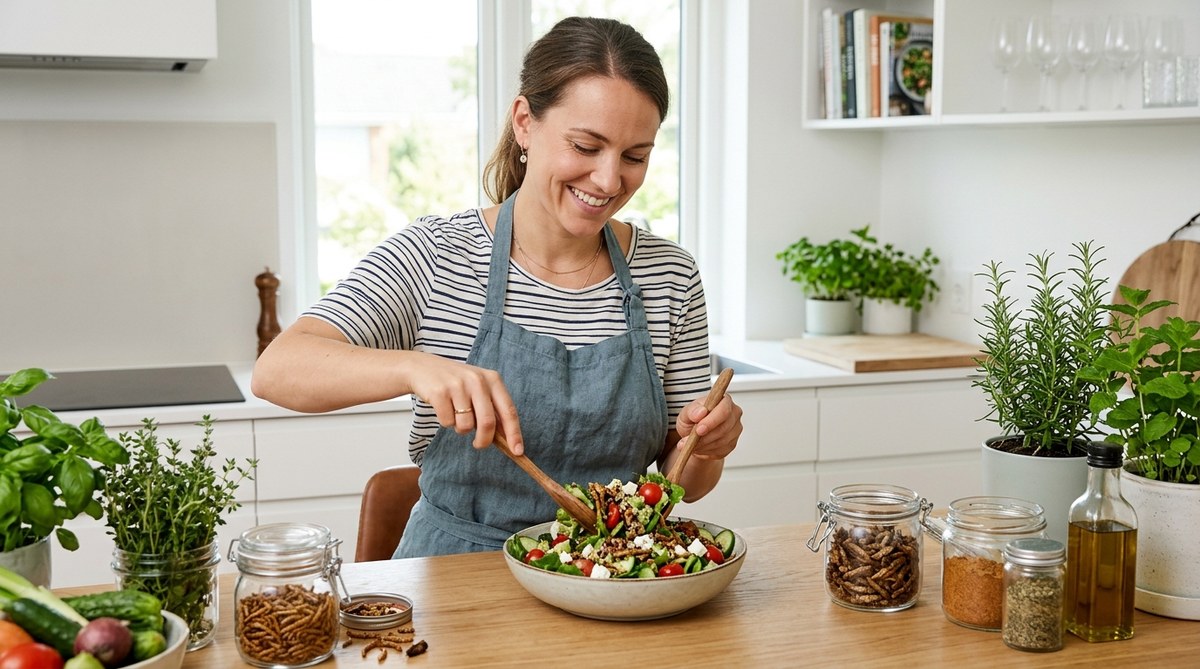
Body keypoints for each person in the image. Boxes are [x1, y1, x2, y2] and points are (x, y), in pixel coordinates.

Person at [252, 16, 743, 558]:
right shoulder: (439, 253)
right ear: (524, 123)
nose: (608, 181)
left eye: (635, 157)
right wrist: (415, 367)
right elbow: (278, 370)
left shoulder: (668, 274)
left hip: (610, 579)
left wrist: (706, 448)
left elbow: (685, 482)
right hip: (454, 583)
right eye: (585, 146)